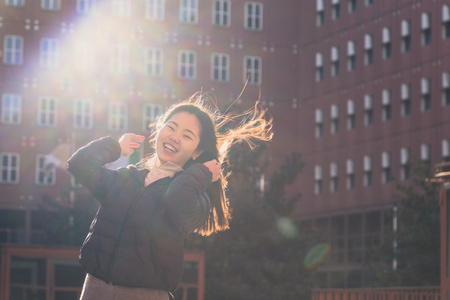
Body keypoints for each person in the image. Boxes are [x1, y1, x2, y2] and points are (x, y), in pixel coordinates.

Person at [67, 95, 273, 300]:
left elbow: (177, 200)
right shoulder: (125, 179)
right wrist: (116, 148)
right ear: (159, 129)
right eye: (171, 127)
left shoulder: (195, 194)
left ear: (197, 151)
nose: (174, 136)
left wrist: (201, 173)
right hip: (95, 290)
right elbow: (79, 165)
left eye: (187, 136)